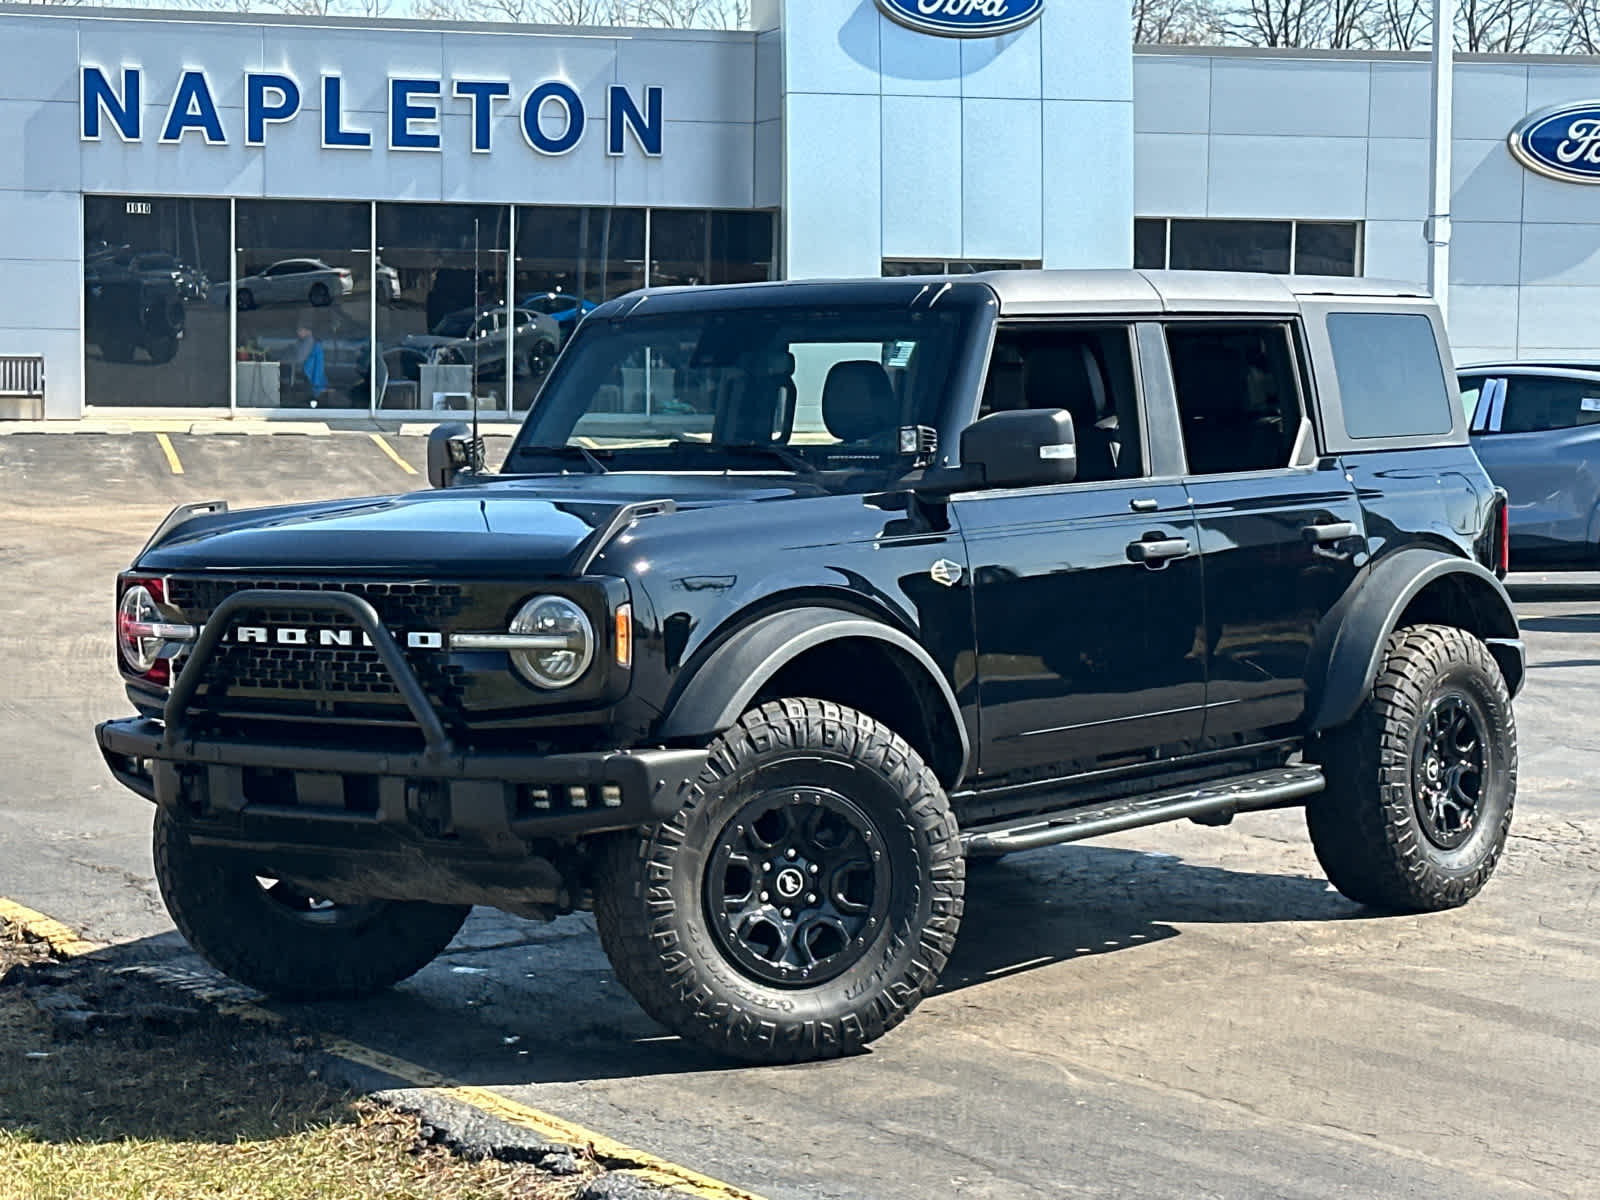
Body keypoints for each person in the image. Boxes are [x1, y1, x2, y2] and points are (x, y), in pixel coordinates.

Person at [286, 317, 330, 408]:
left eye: (300, 330)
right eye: (297, 330)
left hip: (312, 378)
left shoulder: (310, 342)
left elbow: (300, 359)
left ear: (308, 331)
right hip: (310, 377)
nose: (298, 333)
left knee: (312, 400)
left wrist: (285, 359)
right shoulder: (305, 341)